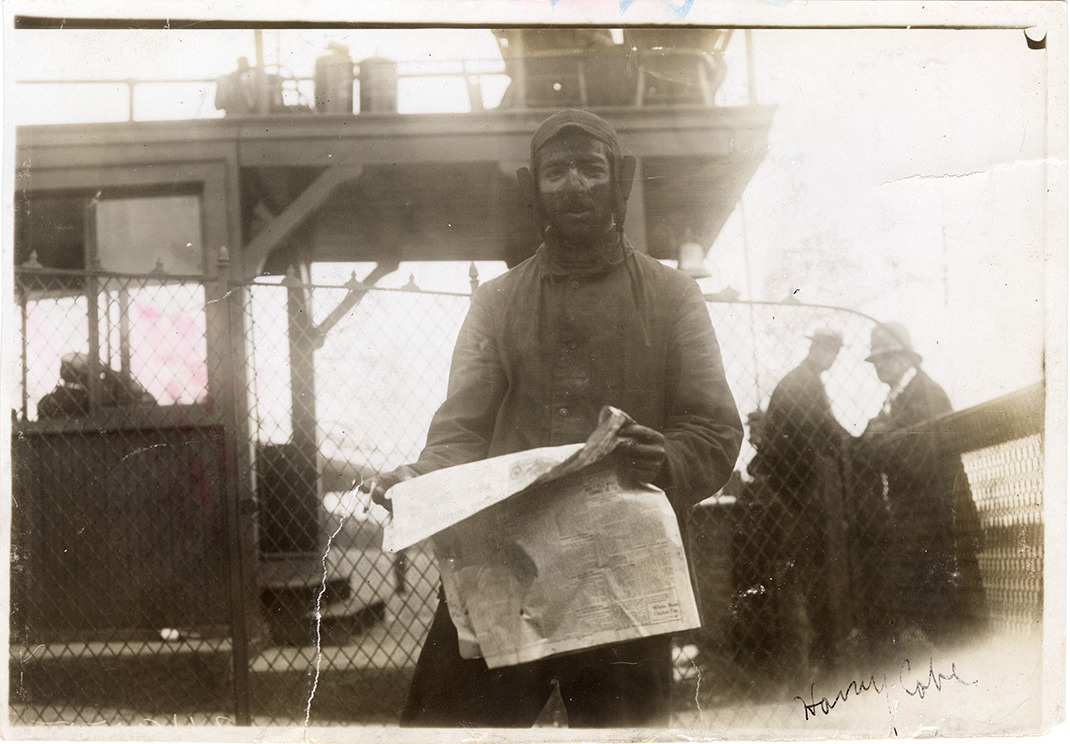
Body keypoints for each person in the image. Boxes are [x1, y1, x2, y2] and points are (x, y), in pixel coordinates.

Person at [363, 109, 743, 728]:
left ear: (619, 181)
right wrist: (420, 479)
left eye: (591, 168)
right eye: (556, 171)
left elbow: (715, 430)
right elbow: (461, 430)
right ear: (534, 188)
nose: (574, 185)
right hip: (507, 565)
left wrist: (667, 457)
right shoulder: (495, 302)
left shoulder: (674, 296)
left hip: (624, 575)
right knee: (443, 731)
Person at [853, 322, 983, 645]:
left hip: (940, 521)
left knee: (956, 615)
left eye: (885, 357)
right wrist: (880, 436)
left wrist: (882, 438)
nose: (879, 365)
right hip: (918, 523)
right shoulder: (897, 399)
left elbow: (919, 456)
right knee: (935, 611)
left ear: (903, 357)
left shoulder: (927, 393)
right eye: (876, 359)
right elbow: (878, 443)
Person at [748, 330, 851, 681]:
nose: (831, 358)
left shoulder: (805, 379)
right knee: (804, 573)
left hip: (795, 489)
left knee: (805, 570)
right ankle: (812, 659)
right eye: (828, 350)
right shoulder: (801, 382)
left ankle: (814, 655)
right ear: (815, 349)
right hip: (790, 491)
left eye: (835, 353)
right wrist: (852, 445)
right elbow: (821, 429)